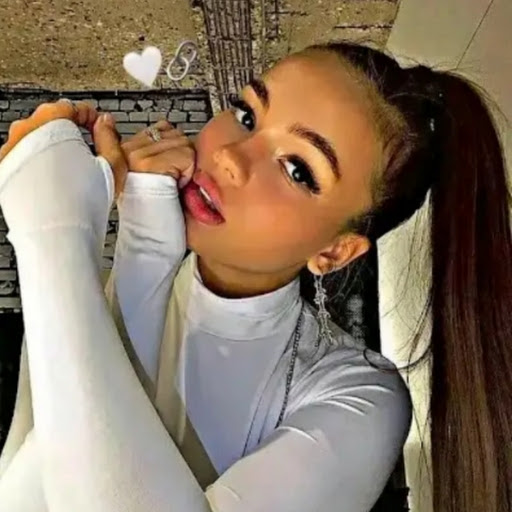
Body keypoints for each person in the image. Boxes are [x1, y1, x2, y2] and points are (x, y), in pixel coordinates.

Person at [0, 39, 510, 512]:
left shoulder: (357, 395)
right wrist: (142, 253)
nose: (229, 157)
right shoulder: (97, 290)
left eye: (297, 169)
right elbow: (20, 490)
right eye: (246, 114)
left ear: (335, 251)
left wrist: (54, 232)